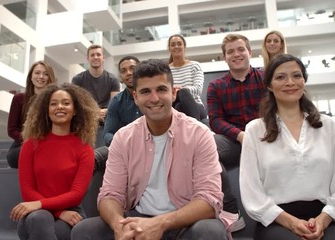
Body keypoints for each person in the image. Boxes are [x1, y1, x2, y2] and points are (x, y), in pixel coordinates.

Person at [71, 59, 228, 240]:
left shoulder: (199, 134)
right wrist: (119, 226)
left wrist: (160, 223)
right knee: (84, 231)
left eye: (161, 89)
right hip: (137, 220)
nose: (154, 98)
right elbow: (110, 194)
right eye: (146, 92)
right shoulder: (123, 138)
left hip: (184, 222)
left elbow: (209, 199)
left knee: (211, 231)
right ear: (136, 97)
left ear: (174, 92)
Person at [239, 54, 335, 240]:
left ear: (304, 81)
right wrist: (292, 223)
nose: (290, 82)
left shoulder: (329, 127)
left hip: (325, 216)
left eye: (296, 76)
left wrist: (323, 220)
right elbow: (252, 192)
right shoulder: (254, 131)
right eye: (280, 77)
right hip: (277, 220)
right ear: (269, 85)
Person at [10, 83, 100, 240]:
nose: (60, 107)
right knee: (40, 218)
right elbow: (27, 190)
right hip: (34, 214)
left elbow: (76, 194)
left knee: (57, 229)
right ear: (46, 110)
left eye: (66, 103)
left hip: (71, 213)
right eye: (53, 104)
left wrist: (50, 209)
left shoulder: (85, 149)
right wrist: (58, 212)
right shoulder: (30, 144)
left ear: (75, 110)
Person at [207, 33, 266, 169]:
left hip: (265, 137)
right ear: (225, 58)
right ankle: (222, 191)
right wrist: (240, 136)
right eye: (230, 51)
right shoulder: (215, 86)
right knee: (208, 147)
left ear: (249, 52)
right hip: (234, 142)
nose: (236, 54)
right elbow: (215, 121)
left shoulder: (266, 79)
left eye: (241, 49)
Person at [6, 60, 57, 168]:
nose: (41, 76)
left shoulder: (56, 100)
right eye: (37, 73)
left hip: (49, 145)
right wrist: (30, 139)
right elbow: (12, 130)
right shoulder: (19, 98)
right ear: (31, 76)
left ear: (50, 78)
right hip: (23, 145)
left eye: (46, 74)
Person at [72, 44, 120, 147]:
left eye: (98, 54)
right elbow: (76, 104)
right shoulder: (78, 80)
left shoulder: (113, 80)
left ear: (103, 58)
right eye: (92, 55)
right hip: (85, 121)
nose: (95, 57)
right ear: (88, 58)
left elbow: (114, 105)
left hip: (105, 121)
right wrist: (94, 112)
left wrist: (104, 112)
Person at [103, 56, 142, 147]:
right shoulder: (116, 101)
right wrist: (123, 145)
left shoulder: (153, 95)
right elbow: (108, 134)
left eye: (132, 68)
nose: (129, 73)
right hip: (126, 149)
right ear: (120, 77)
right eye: (123, 71)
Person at [167, 34, 207, 121]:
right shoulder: (166, 70)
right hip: (173, 104)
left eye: (179, 44)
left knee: (182, 94)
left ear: (184, 47)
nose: (176, 47)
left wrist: (181, 90)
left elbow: (198, 89)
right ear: (169, 49)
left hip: (196, 106)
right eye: (173, 45)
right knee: (178, 105)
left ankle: (195, 127)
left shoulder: (195, 66)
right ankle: (196, 129)